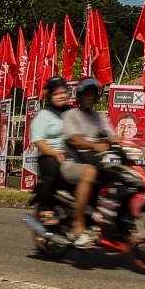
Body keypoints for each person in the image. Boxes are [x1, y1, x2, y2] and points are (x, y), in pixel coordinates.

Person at [61, 78, 116, 248]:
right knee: (90, 172)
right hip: (72, 164)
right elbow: (74, 139)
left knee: (119, 174)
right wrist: (94, 145)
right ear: (78, 95)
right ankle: (78, 226)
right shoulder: (70, 115)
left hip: (94, 161)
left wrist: (132, 145)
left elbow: (113, 137)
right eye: (86, 93)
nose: (89, 97)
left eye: (92, 93)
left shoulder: (100, 117)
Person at [30, 77, 70, 226]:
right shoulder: (44, 116)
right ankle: (46, 209)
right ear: (49, 96)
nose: (61, 96)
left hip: (71, 154)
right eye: (56, 93)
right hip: (48, 155)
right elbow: (39, 141)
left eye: (63, 92)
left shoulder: (73, 112)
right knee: (53, 167)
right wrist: (56, 153)